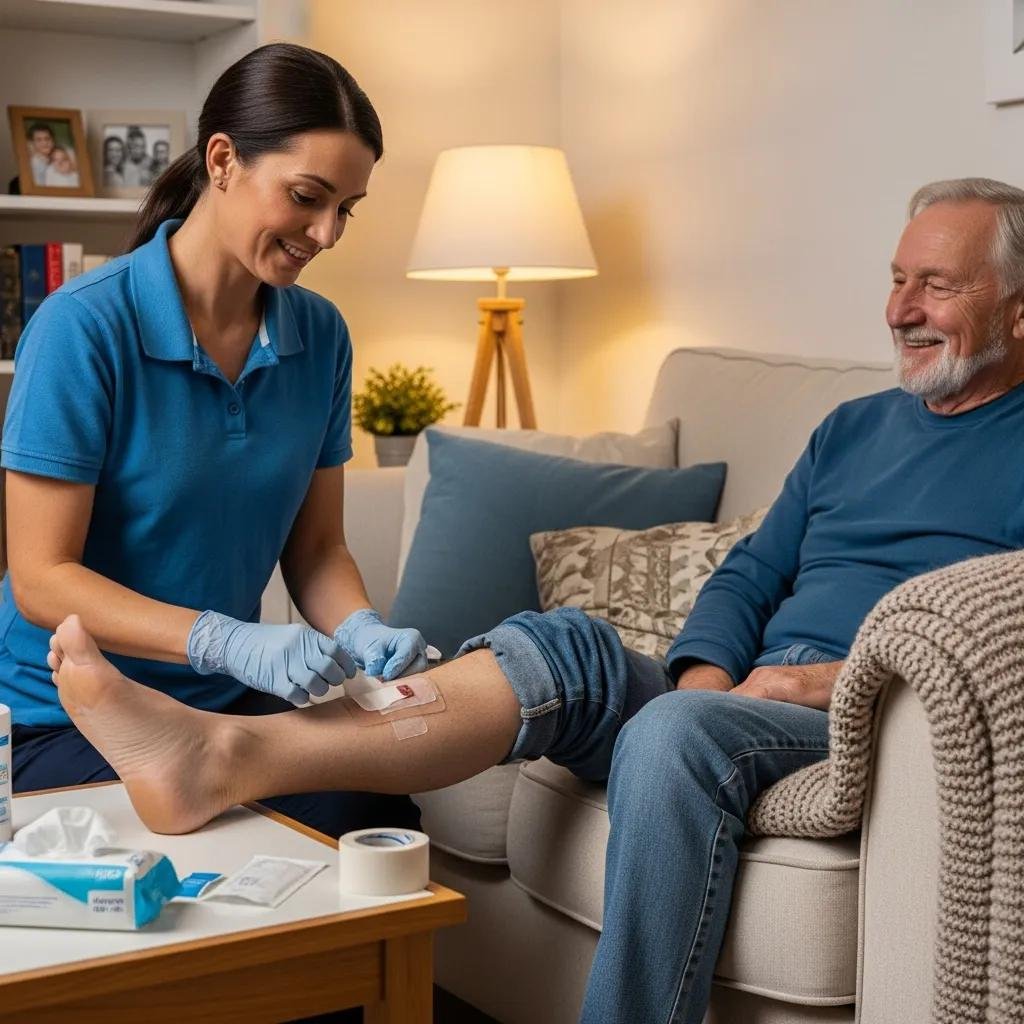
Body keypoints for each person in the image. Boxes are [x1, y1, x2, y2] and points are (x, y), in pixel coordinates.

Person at [40, 179, 1024, 1018]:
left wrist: (822, 683)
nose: (899, 309)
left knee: (674, 732)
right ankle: (222, 754)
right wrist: (707, 678)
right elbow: (750, 574)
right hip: (741, 697)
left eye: (935, 285)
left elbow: (1000, 642)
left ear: (1018, 308)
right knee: (563, 646)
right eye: (896, 278)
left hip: (864, 719)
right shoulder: (852, 427)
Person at [2, 43, 432, 840]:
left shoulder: (321, 336)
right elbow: (40, 578)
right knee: (250, 828)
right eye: (307, 197)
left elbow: (317, 550)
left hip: (220, 707)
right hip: (53, 715)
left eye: (346, 208)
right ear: (224, 160)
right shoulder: (82, 327)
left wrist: (360, 627)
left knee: (375, 814)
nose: (327, 232)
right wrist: (221, 639)